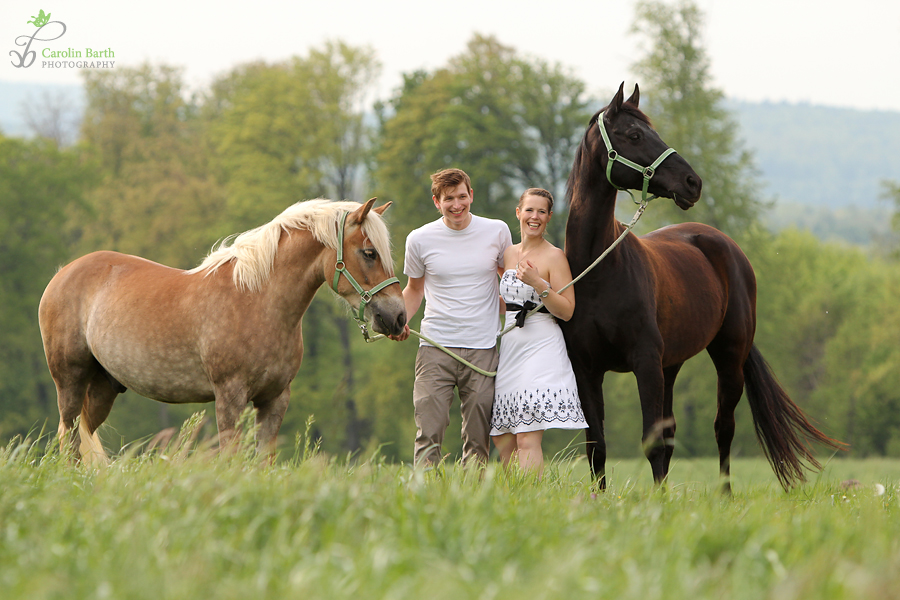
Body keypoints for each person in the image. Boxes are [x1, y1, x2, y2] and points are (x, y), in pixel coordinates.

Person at [390, 168, 512, 467]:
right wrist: (398, 320)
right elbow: (414, 289)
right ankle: (425, 496)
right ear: (437, 202)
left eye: (461, 197)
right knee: (429, 430)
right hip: (435, 347)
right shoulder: (419, 239)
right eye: (448, 199)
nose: (456, 205)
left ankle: (472, 498)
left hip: (482, 349)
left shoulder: (497, 231)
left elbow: (509, 281)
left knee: (478, 436)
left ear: (471, 195)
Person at [490, 188, 587, 476]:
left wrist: (538, 283)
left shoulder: (555, 256)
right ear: (518, 213)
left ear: (548, 217)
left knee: (527, 434)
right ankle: (515, 498)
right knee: (502, 436)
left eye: (541, 211)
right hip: (510, 346)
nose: (535, 217)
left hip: (542, 344)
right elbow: (508, 301)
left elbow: (567, 310)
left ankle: (532, 496)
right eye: (529, 210)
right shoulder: (508, 253)